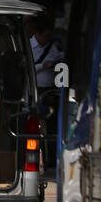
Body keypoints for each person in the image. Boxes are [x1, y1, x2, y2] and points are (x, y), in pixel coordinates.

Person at [31, 17, 64, 172]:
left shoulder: (52, 47)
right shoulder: (29, 45)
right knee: (33, 124)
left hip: (50, 90)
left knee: (52, 125)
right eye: (45, 36)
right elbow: (25, 67)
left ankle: (51, 158)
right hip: (34, 90)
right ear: (38, 34)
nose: (47, 39)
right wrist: (41, 66)